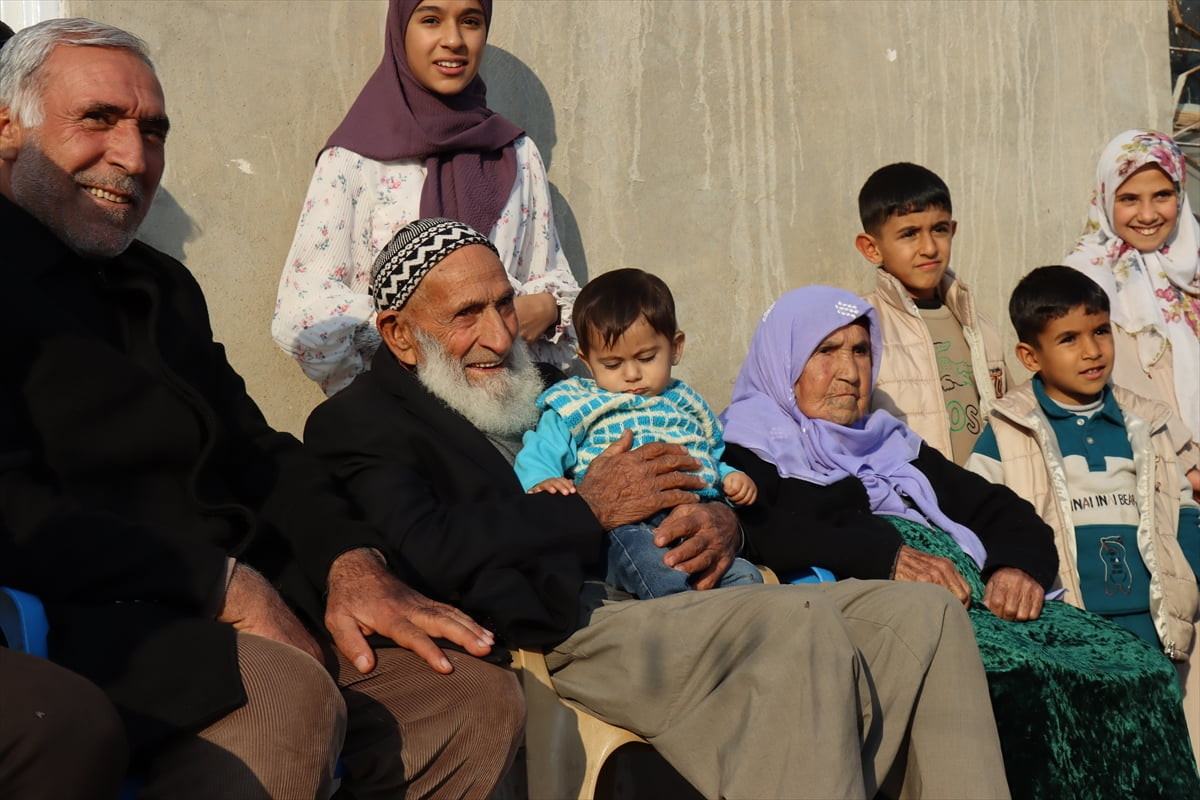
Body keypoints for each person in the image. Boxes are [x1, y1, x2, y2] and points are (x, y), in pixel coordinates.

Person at [305, 216, 1015, 799]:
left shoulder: (566, 378)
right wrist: (589, 510)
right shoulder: (360, 423)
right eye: (468, 314)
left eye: (503, 304)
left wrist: (730, 519)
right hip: (570, 626)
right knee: (793, 621)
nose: (499, 334)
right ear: (400, 333)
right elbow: (431, 545)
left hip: (682, 592)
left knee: (923, 618)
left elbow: (728, 467)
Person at [0, 18, 523, 799]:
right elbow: (15, 506)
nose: (133, 158)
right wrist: (220, 584)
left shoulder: (162, 287)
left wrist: (352, 563)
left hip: (262, 604)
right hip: (102, 626)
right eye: (98, 119)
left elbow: (258, 450)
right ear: (9, 128)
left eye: (152, 130)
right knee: (281, 697)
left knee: (467, 696)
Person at [720, 285, 1200, 796]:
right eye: (826, 351)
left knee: (1137, 669)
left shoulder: (889, 441)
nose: (850, 371)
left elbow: (1002, 509)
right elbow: (766, 529)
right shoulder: (747, 448)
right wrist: (886, 557)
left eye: (861, 350)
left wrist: (1015, 568)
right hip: (902, 628)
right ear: (783, 360)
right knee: (1026, 687)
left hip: (986, 612)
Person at [273, 0, 578, 396]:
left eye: (471, 21)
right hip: (398, 415)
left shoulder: (516, 154)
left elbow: (553, 284)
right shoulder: (353, 161)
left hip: (512, 418)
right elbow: (301, 316)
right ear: (400, 30)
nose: (453, 40)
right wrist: (430, 334)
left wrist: (549, 309)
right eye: (431, 20)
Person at [966, 265, 1200, 760]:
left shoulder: (1146, 423)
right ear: (1030, 356)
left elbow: (1184, 512)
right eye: (1068, 338)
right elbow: (978, 520)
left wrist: (1190, 590)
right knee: (1086, 756)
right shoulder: (1009, 431)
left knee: (1157, 754)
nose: (1092, 350)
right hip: (1067, 628)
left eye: (1099, 331)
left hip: (1151, 624)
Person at [512, 267, 761, 599]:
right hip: (622, 528)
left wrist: (731, 479)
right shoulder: (578, 402)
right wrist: (542, 479)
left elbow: (710, 456)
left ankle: (726, 621)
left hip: (687, 519)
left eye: (646, 358)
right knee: (649, 561)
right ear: (586, 360)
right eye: (612, 365)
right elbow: (541, 449)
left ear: (675, 347)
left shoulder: (686, 404)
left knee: (744, 574)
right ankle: (688, 619)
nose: (631, 375)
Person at [1063, 129, 1200, 494]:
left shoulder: (1194, 266)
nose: (1148, 214)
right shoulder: (1087, 279)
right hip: (1150, 474)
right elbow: (1117, 384)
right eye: (1129, 199)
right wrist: (1186, 467)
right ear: (1106, 198)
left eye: (1162, 195)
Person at [856, 162, 1007, 465]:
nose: (928, 248)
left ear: (952, 231)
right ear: (872, 248)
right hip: (909, 503)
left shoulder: (979, 324)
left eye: (938, 230)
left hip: (987, 499)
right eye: (909, 234)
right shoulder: (862, 327)